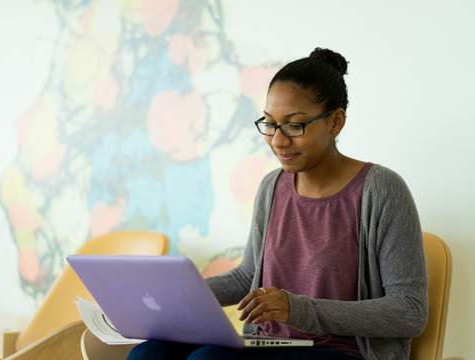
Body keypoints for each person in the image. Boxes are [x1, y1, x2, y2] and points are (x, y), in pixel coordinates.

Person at [128, 48, 428, 360]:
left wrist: (298, 309)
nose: (278, 140)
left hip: (342, 351)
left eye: (295, 125)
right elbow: (249, 277)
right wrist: (177, 295)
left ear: (336, 122)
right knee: (149, 353)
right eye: (270, 123)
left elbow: (410, 310)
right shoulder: (272, 186)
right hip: (269, 344)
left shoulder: (381, 190)